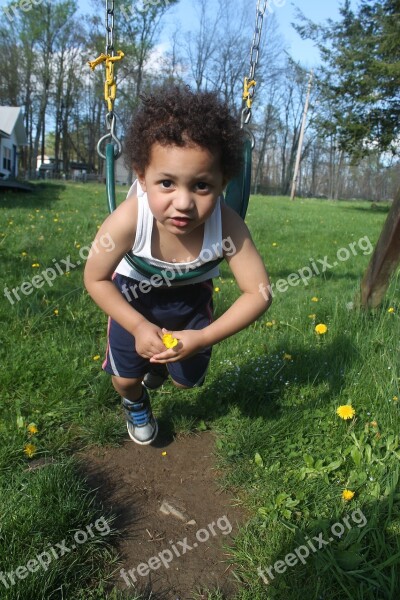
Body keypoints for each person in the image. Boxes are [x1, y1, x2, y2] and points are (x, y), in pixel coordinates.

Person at [84, 85, 272, 446]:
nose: (183, 202)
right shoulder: (129, 220)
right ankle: (135, 402)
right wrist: (138, 325)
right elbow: (94, 278)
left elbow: (259, 292)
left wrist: (202, 336)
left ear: (222, 184)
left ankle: (161, 367)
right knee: (125, 378)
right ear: (141, 177)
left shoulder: (227, 224)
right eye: (166, 183)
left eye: (201, 185)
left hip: (191, 302)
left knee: (188, 380)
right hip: (133, 300)